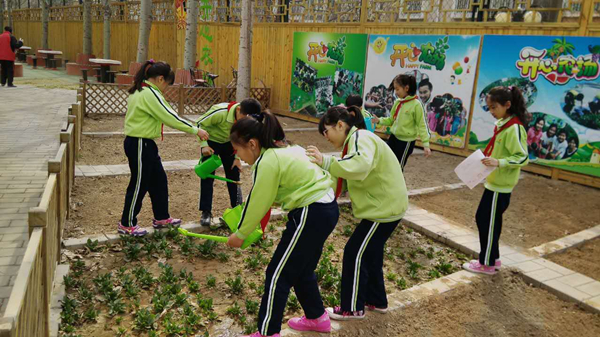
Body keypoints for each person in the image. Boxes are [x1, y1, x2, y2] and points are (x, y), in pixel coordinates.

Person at [227, 112, 339, 337]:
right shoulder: (289, 148)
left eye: (237, 149)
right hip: (327, 208)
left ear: (252, 144)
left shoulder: (267, 161)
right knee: (302, 268)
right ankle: (317, 317)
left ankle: (267, 332)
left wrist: (240, 233)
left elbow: (259, 201)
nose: (237, 154)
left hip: (310, 212)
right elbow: (280, 189)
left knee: (278, 274)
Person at [306, 105, 408, 320]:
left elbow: (359, 166)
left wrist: (325, 160)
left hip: (384, 209)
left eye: (326, 132)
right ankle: (377, 300)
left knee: (354, 252)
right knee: (371, 253)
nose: (326, 138)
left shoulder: (361, 137)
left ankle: (352, 307)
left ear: (340, 125)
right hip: (385, 206)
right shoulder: (356, 139)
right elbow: (346, 172)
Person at [118, 60, 209, 236]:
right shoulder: (149, 93)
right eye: (167, 84)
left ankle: (161, 217)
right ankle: (126, 224)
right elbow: (170, 116)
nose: (166, 88)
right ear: (160, 79)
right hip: (139, 143)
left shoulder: (142, 89)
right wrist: (195, 130)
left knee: (159, 181)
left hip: (145, 144)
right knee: (139, 184)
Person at [463, 86, 529, 275]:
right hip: (494, 183)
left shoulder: (514, 128)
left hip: (500, 187)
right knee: (488, 221)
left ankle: (487, 263)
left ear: (507, 105)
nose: (491, 112)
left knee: (486, 221)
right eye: (489, 108)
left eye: (494, 107)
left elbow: (523, 157)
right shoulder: (504, 124)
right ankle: (494, 258)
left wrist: (498, 162)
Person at [196, 98, 262, 226]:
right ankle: (206, 211)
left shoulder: (249, 121)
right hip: (211, 142)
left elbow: (244, 139)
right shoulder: (220, 112)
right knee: (207, 176)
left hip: (230, 144)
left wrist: (237, 158)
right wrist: (204, 144)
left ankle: (237, 210)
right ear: (238, 110)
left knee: (234, 174)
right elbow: (199, 124)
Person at [372, 74, 431, 170]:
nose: (396, 92)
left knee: (398, 167)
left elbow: (422, 125)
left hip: (406, 142)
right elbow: (391, 120)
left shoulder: (416, 105)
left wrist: (426, 144)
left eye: (397, 89)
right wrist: (379, 120)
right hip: (393, 138)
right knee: (386, 160)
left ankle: (397, 184)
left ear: (406, 88)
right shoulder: (398, 102)